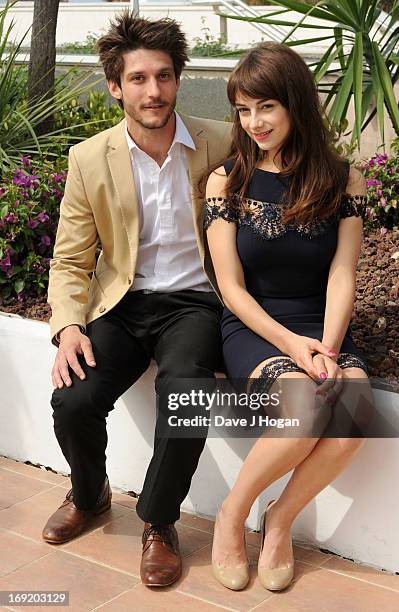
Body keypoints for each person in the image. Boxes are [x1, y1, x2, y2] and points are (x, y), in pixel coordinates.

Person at [42, 12, 231, 588]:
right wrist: (68, 326)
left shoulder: (221, 141)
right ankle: (89, 493)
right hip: (121, 305)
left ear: (179, 79)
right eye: (140, 79)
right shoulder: (89, 157)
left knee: (187, 392)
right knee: (73, 400)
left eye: (165, 76)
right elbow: (72, 259)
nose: (154, 91)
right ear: (115, 86)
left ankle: (158, 521)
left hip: (194, 303)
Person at [204, 42, 373, 592]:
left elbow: (342, 275)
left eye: (266, 107)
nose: (254, 122)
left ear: (295, 104)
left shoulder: (342, 179)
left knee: (351, 414)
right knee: (304, 407)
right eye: (243, 110)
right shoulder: (226, 181)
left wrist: (324, 346)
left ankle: (279, 521)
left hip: (319, 324)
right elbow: (229, 287)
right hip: (254, 325)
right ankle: (234, 513)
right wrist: (291, 345)